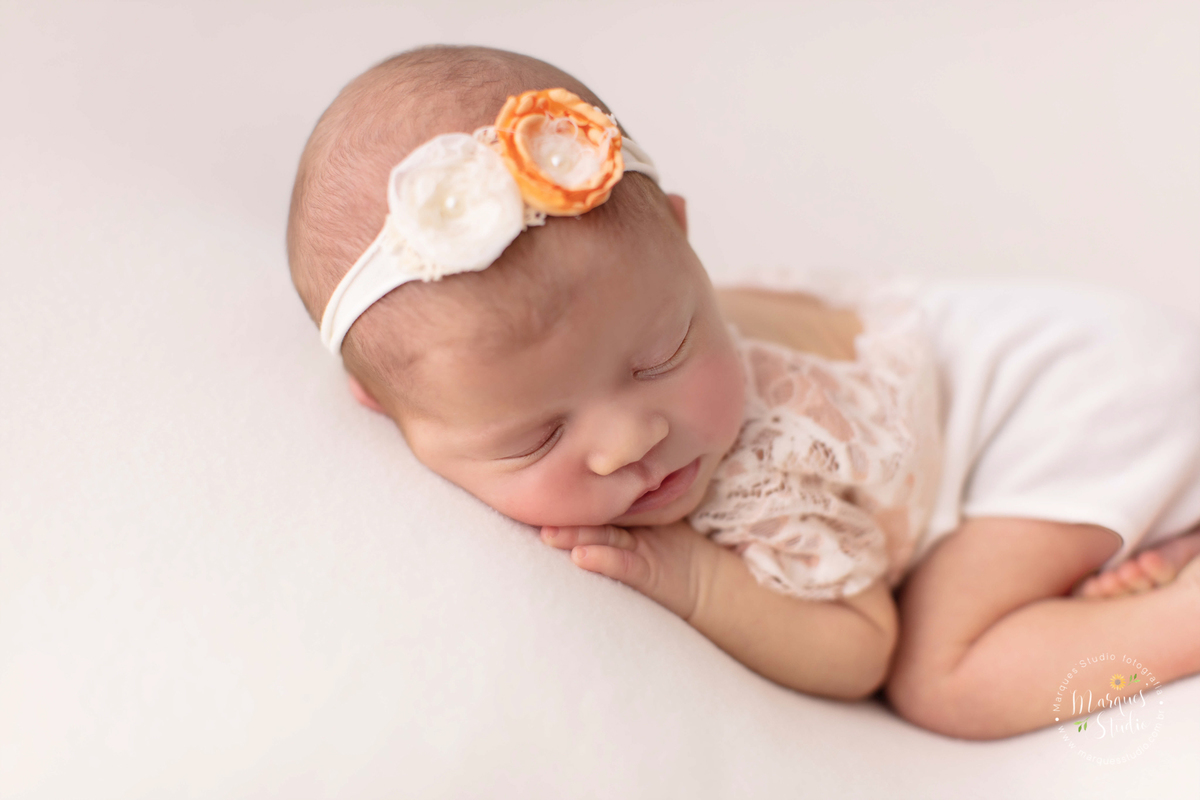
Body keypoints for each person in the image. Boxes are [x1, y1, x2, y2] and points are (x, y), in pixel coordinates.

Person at [286, 45, 1200, 739]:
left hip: (1079, 399)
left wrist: (697, 582)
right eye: (537, 437)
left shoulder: (768, 467)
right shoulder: (629, 310)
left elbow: (862, 646)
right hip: (1075, 361)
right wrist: (668, 353)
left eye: (662, 356)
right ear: (383, 409)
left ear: (687, 244)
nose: (630, 442)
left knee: (942, 676)